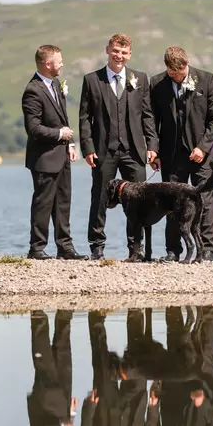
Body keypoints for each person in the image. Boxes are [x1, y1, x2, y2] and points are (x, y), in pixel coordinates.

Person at [79, 33, 159, 261]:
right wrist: (88, 147)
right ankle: (97, 246)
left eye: (124, 52)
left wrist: (152, 145)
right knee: (100, 197)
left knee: (139, 199)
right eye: (115, 51)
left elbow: (147, 116)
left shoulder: (140, 78)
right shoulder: (92, 80)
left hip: (134, 150)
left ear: (130, 54)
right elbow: (85, 118)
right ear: (107, 50)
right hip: (104, 150)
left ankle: (136, 248)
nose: (119, 56)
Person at [150, 46, 213, 262]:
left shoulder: (207, 80)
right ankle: (173, 251)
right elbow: (152, 120)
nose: (178, 76)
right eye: (173, 73)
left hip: (202, 153)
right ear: (167, 69)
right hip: (171, 154)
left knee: (204, 199)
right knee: (171, 202)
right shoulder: (157, 84)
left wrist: (203, 146)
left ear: (187, 64)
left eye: (181, 72)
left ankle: (207, 251)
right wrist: (154, 150)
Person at [21, 45, 86, 260]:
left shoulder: (56, 84)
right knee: (43, 202)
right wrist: (60, 135)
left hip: (62, 155)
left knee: (63, 201)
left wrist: (71, 144)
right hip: (44, 158)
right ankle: (37, 248)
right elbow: (34, 128)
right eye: (59, 61)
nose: (62, 64)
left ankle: (65, 248)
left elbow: (63, 119)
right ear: (48, 64)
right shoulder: (33, 90)